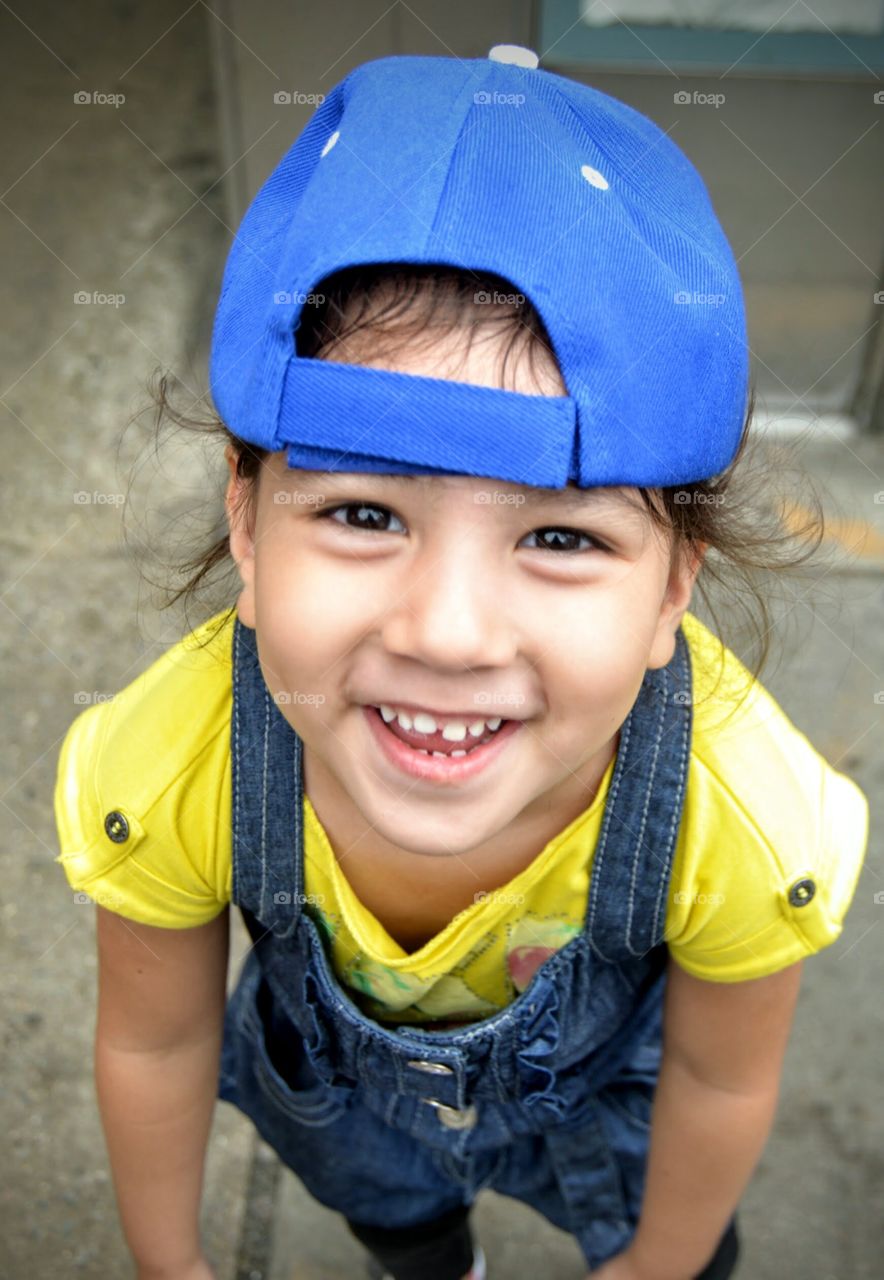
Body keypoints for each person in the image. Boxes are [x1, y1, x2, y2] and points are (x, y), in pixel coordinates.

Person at [53, 44, 869, 1280]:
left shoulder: (743, 819)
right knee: (399, 1219)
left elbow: (713, 1074)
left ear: (673, 585)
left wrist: (654, 1266)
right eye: (364, 514)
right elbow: (157, 1044)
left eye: (558, 534)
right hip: (357, 1130)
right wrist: (173, 1264)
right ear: (245, 525)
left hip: (618, 1135)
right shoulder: (171, 764)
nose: (445, 631)